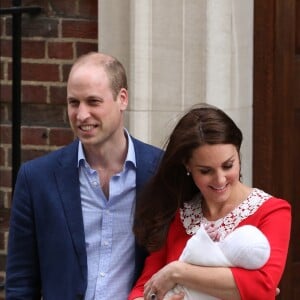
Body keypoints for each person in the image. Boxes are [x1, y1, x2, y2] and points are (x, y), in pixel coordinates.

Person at [5, 52, 163, 299]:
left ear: (122, 99)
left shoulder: (161, 171)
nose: (81, 115)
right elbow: (21, 283)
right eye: (74, 102)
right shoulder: (36, 179)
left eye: (93, 101)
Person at [128, 104, 291, 300]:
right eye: (206, 171)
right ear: (187, 166)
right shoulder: (177, 212)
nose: (220, 179)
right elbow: (143, 289)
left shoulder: (272, 211)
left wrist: (176, 272)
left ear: (238, 154)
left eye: (228, 165)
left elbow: (263, 287)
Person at [164, 224, 270, 299]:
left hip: (175, 294)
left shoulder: (213, 255)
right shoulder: (232, 270)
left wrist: (203, 237)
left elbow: (190, 252)